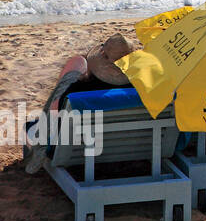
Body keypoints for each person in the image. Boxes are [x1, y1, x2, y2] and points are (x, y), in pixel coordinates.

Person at [24, 34, 134, 173]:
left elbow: (53, 116)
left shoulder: (77, 92)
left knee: (74, 67)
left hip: (73, 152)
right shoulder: (142, 92)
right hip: (129, 149)